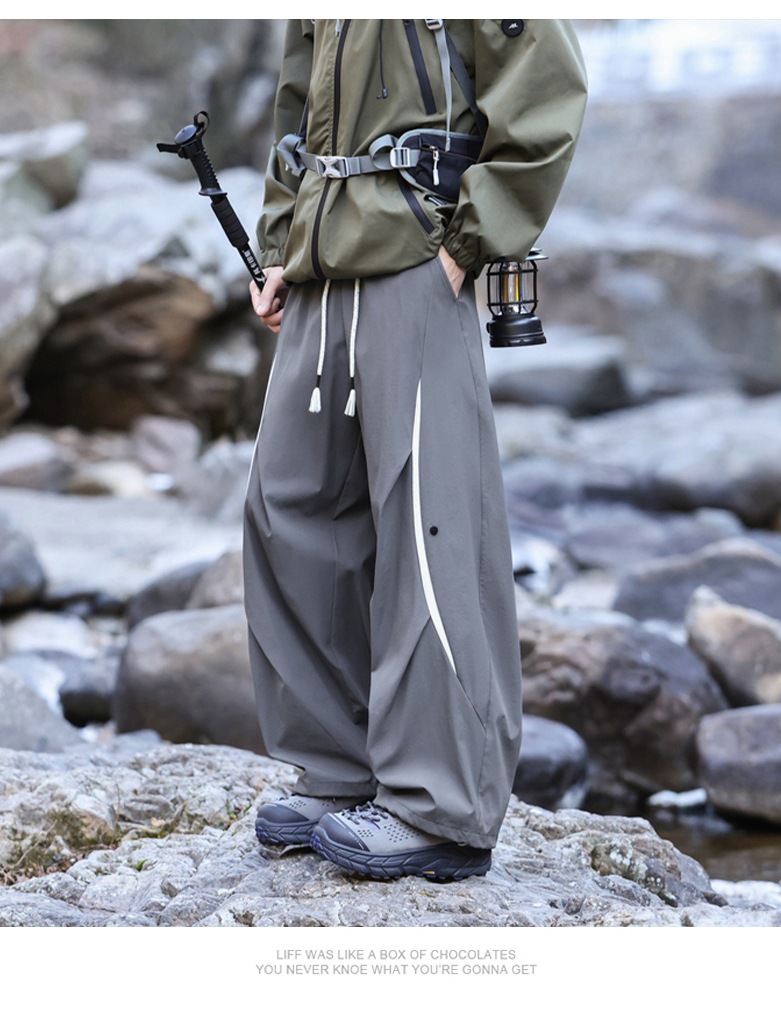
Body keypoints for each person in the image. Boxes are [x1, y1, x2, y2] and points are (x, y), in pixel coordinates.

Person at [243, 19, 587, 881]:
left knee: (428, 528)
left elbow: (544, 90)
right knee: (290, 507)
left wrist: (465, 248)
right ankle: (339, 769)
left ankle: (441, 805)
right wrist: (282, 240)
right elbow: (299, 104)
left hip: (419, 259)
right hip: (321, 261)